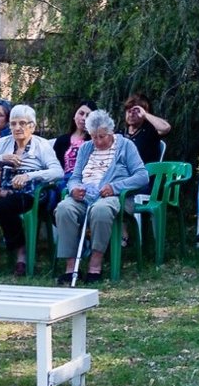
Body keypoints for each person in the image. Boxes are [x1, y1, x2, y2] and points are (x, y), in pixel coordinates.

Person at [56, 109, 149, 282]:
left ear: (111, 131)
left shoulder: (125, 146)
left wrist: (115, 187)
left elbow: (142, 176)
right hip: (85, 195)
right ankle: (71, 267)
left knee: (101, 210)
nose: (98, 141)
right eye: (93, 137)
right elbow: (75, 177)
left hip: (112, 197)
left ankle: (95, 264)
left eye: (102, 136)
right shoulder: (86, 148)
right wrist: (74, 189)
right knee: (63, 208)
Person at [0, 104, 60, 276]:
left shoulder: (41, 145)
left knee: (3, 207)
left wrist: (29, 176)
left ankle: (21, 252)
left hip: (30, 192)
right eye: (13, 123)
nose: (17, 128)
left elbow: (57, 172)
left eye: (22, 123)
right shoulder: (3, 143)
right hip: (4, 190)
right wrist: (0, 158)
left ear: (32, 126)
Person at [51, 100, 96, 178]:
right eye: (81, 113)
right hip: (64, 182)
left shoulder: (97, 141)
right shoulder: (61, 141)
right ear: (74, 116)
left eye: (88, 116)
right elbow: (54, 167)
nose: (84, 118)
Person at [121, 94, 170, 162]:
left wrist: (145, 115)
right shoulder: (120, 133)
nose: (131, 114)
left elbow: (166, 128)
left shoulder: (150, 131)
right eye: (129, 111)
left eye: (135, 112)